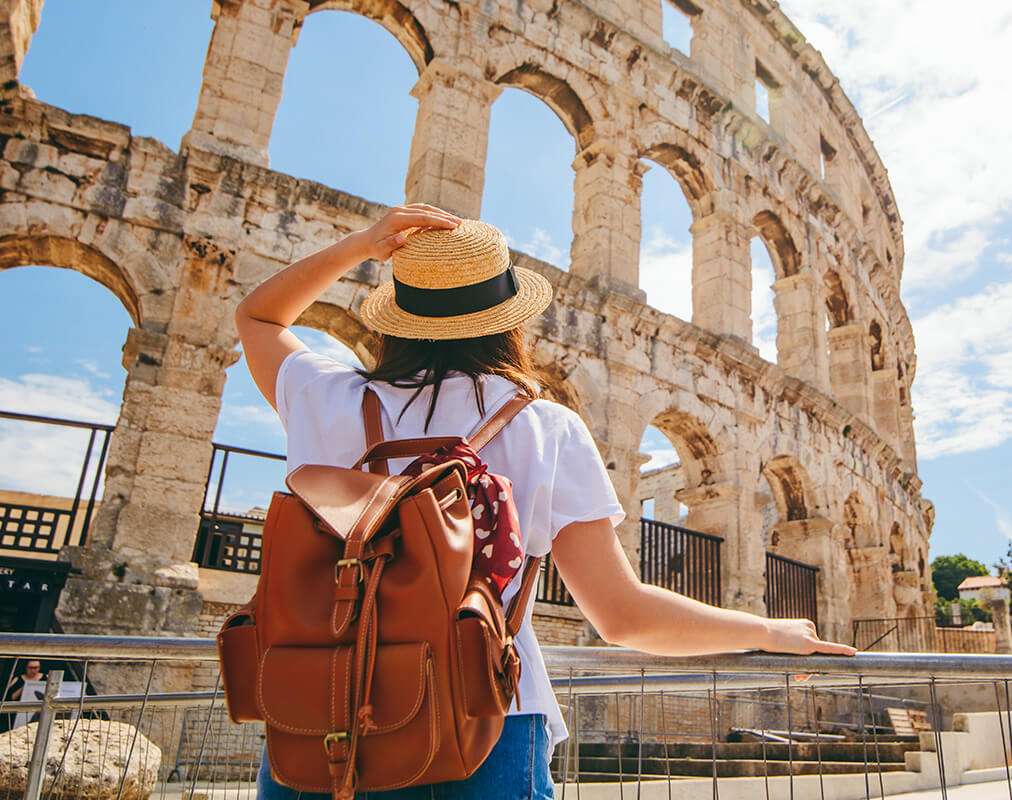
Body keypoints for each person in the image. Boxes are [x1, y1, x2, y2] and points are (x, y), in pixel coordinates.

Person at [236, 204, 856, 800]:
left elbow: (258, 318)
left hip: (321, 715)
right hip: (488, 722)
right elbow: (623, 616)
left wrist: (362, 244)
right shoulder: (546, 427)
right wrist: (768, 630)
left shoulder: (324, 396)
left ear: (397, 318)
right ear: (510, 318)